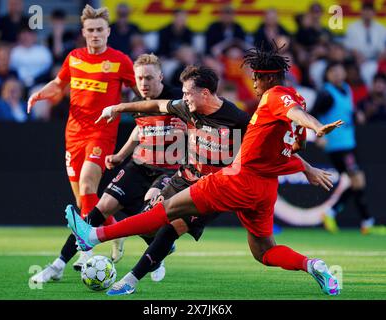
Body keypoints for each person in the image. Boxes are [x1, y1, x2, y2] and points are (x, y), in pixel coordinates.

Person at [66, 46, 344, 296]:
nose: (254, 83)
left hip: (235, 179)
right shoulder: (294, 98)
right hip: (264, 188)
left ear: (267, 77)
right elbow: (292, 139)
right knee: (265, 252)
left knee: (166, 211)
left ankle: (94, 236)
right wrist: (305, 159)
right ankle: (312, 265)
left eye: (256, 77)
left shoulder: (273, 97)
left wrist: (316, 126)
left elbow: (295, 114)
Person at [30, 53, 183, 284]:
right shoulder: (138, 99)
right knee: (100, 208)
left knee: (150, 206)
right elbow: (140, 130)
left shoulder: (176, 99)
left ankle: (156, 251)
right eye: (140, 78)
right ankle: (59, 263)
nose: (144, 83)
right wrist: (121, 155)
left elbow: (193, 123)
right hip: (139, 165)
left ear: (160, 76)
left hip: (168, 170)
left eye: (149, 78)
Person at [103, 65, 251, 296]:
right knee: (148, 222)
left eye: (186, 93)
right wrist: (118, 107)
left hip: (211, 189)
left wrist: (306, 167)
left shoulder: (238, 119)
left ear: (204, 93)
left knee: (172, 227)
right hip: (182, 179)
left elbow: (268, 141)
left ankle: (130, 279)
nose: (182, 98)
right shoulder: (187, 108)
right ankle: (145, 247)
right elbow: (154, 105)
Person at [27, 5, 139, 271]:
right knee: (83, 202)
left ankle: (85, 251)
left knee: (89, 185)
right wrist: (38, 94)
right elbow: (58, 84)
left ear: (108, 31)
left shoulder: (120, 61)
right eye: (91, 30)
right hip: (73, 134)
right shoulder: (74, 57)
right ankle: (115, 230)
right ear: (84, 32)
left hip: (101, 132)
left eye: (100, 29)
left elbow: (139, 91)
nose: (96, 34)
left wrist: (150, 112)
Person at [311, 62, 378, 234]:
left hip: (349, 142)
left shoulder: (347, 89)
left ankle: (356, 219)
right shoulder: (326, 94)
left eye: (340, 70)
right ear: (327, 75)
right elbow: (312, 114)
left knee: (356, 181)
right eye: (333, 71)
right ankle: (365, 221)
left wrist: (357, 114)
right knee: (357, 180)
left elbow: (347, 110)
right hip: (336, 145)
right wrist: (319, 136)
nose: (338, 74)